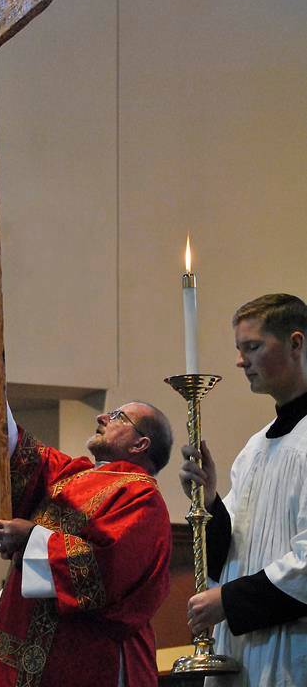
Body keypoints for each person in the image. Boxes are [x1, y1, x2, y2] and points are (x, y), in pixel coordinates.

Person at [0, 337, 173, 687]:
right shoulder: (74, 475)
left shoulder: (142, 498)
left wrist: (31, 538)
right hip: (27, 650)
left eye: (118, 416)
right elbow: (16, 458)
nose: (102, 416)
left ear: (140, 443)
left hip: (83, 660)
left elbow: (108, 568)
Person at [179, 293, 307, 687]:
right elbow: (231, 555)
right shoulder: (255, 447)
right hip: (243, 652)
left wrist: (229, 601)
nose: (240, 361)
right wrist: (210, 501)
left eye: (252, 347)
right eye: (239, 349)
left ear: (296, 343)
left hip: (293, 651)